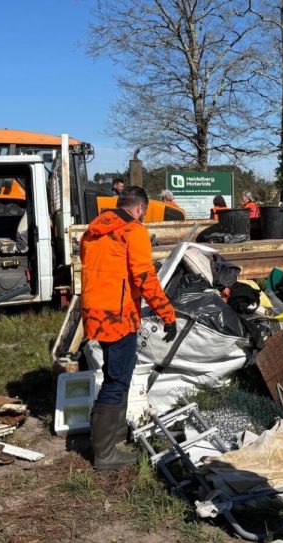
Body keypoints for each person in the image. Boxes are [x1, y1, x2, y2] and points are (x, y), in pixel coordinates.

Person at [80, 186, 177, 470]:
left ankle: (115, 434)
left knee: (117, 371)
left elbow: (97, 268)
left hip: (95, 313)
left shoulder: (93, 230)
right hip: (119, 317)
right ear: (139, 209)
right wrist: (167, 314)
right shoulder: (133, 231)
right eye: (143, 214)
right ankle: (105, 453)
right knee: (116, 380)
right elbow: (145, 277)